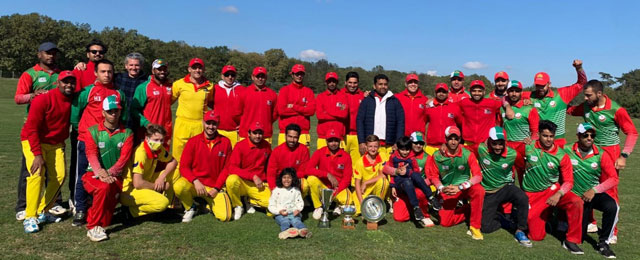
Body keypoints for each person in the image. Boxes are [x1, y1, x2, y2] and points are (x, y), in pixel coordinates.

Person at [567, 79, 637, 244]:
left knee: (609, 192)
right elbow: (568, 109)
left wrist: (624, 155)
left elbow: (632, 133)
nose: (585, 98)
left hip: (610, 153)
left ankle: (612, 232)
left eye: (588, 95)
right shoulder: (586, 106)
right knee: (586, 186)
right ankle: (590, 222)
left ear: (599, 94)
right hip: (590, 152)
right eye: (584, 95)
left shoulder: (616, 109)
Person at [71, 59, 126, 226]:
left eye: (109, 71)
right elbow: (75, 114)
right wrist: (84, 132)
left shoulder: (118, 93)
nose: (107, 75)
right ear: (96, 73)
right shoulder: (87, 91)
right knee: (83, 176)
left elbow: (120, 116)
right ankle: (80, 208)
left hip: (108, 142)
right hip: (87, 141)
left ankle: (100, 206)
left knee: (107, 174)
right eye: (103, 71)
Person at [14, 41, 64, 221]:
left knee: (55, 171)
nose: (51, 56)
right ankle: (23, 206)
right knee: (31, 170)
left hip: (53, 130)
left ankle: (52, 203)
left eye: (54, 53)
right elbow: (18, 98)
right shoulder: (30, 74)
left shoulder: (60, 75)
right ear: (39, 55)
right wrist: (32, 96)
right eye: (47, 53)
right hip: (34, 130)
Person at [19, 70, 75, 233]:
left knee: (60, 176)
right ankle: (30, 216)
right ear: (57, 83)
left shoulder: (72, 99)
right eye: (65, 82)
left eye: (72, 82)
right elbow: (31, 128)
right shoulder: (42, 99)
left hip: (56, 143)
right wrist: (37, 154)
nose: (68, 85)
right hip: (32, 140)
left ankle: (43, 210)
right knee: (36, 174)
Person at [521, 120, 584, 254]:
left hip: (552, 191)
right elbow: (511, 155)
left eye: (551, 136)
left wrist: (559, 193)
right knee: (536, 236)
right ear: (538, 134)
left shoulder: (561, 156)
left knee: (576, 201)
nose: (548, 139)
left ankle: (571, 240)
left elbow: (568, 182)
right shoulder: (528, 147)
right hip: (531, 194)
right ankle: (547, 219)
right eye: (545, 136)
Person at [82, 96, 134, 242]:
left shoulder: (127, 133)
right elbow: (91, 154)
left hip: (115, 176)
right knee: (104, 188)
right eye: (109, 111)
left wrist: (109, 173)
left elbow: (123, 159)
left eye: (116, 111)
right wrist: (101, 173)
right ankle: (93, 227)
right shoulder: (93, 131)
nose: (113, 114)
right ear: (103, 112)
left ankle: (93, 217)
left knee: (107, 220)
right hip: (92, 175)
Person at [567, 123, 618, 258]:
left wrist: (594, 190)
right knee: (580, 237)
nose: (589, 138)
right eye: (585, 135)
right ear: (578, 136)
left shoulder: (601, 154)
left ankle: (603, 243)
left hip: (592, 194)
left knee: (612, 206)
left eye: (592, 135)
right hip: (574, 196)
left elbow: (613, 178)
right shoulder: (567, 149)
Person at [426, 126, 485, 240]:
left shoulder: (467, 154)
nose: (453, 142)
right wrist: (441, 187)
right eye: (450, 138)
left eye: (456, 139)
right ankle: (468, 210)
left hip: (464, 187)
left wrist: (461, 187)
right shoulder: (437, 156)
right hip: (448, 189)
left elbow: (478, 176)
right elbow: (433, 176)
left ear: (460, 139)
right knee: (445, 222)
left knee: (479, 190)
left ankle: (475, 227)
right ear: (445, 139)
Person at [173, 110, 233, 222]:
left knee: (226, 216)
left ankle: (205, 205)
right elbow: (184, 167)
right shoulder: (193, 141)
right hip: (196, 185)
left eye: (214, 124)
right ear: (203, 122)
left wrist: (217, 188)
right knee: (179, 186)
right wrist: (195, 181)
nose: (211, 126)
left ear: (218, 125)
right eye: (208, 123)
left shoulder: (226, 142)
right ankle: (191, 207)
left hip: (214, 188)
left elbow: (227, 168)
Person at [478, 126, 532, 247]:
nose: (498, 147)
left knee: (522, 197)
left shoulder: (513, 154)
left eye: (501, 144)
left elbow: (521, 167)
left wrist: (522, 185)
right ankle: (502, 219)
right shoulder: (481, 149)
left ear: (505, 142)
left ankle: (521, 230)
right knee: (485, 228)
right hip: (489, 192)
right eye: (494, 144)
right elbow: (464, 150)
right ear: (489, 141)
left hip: (505, 188)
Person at [120, 124, 177, 219]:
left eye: (161, 140)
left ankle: (169, 208)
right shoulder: (141, 153)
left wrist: (161, 178)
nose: (159, 143)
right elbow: (137, 183)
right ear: (147, 138)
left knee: (176, 172)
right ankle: (130, 212)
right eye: (156, 140)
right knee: (162, 203)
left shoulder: (158, 148)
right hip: (130, 190)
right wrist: (158, 186)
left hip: (146, 180)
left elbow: (173, 162)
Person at [525, 59, 586, 147]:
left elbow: (582, 84)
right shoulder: (529, 96)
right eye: (538, 85)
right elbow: (510, 96)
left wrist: (579, 68)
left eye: (543, 85)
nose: (540, 88)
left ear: (549, 84)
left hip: (558, 141)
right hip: (537, 143)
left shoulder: (561, 95)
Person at [383, 136, 438, 227]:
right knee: (400, 217)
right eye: (416, 143)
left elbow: (429, 176)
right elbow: (386, 169)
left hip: (417, 184)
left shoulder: (426, 157)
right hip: (402, 184)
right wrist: (393, 183)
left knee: (420, 192)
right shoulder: (394, 156)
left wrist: (412, 175)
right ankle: (414, 209)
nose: (418, 145)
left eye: (421, 143)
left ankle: (426, 210)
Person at [226, 121, 272, 220]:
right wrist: (253, 176)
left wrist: (272, 185)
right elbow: (232, 168)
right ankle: (238, 205)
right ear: (249, 133)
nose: (257, 136)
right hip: (242, 181)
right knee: (231, 180)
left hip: (258, 184)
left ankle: (248, 200)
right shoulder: (240, 146)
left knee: (270, 203)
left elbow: (270, 167)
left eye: (260, 133)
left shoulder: (266, 146)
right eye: (255, 133)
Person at [171, 58, 213, 166]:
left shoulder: (210, 86)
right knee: (178, 156)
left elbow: (212, 103)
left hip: (199, 124)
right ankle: (176, 180)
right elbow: (168, 102)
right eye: (194, 68)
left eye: (200, 68)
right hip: (183, 123)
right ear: (189, 69)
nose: (197, 70)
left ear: (204, 70)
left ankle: (195, 180)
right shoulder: (179, 84)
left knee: (198, 155)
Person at [457, 80, 514, 156]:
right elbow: (449, 107)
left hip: (485, 143)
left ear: (484, 92)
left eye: (479, 91)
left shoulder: (491, 103)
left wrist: (508, 106)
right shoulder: (464, 103)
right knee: (469, 166)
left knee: (484, 166)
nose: (477, 93)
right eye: (474, 91)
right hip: (468, 143)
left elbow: (504, 100)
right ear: (470, 91)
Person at [356, 74, 405, 160]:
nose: (383, 86)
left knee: (387, 170)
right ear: (374, 86)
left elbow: (400, 122)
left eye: (385, 84)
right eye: (380, 84)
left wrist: (398, 142)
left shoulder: (395, 101)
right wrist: (361, 142)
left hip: (388, 146)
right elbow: (360, 121)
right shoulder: (367, 101)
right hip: (371, 146)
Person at [306, 130, 353, 220]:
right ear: (326, 141)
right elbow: (308, 169)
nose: (333, 143)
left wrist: (336, 191)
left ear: (340, 141)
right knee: (311, 179)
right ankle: (318, 207)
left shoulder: (345, 156)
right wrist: (326, 174)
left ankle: (338, 205)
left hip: (338, 187)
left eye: (336, 140)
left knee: (349, 201)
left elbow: (347, 178)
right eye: (330, 141)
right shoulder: (320, 152)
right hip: (323, 186)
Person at [502, 80, 539, 185]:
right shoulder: (502, 108)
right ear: (507, 92)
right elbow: (498, 127)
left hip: (523, 146)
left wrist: (532, 140)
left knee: (525, 179)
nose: (514, 94)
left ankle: (526, 199)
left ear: (521, 92)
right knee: (508, 178)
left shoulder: (529, 108)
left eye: (517, 91)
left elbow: (535, 131)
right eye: (511, 91)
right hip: (507, 146)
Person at [131, 59, 173, 145]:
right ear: (153, 70)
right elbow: (134, 109)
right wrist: (146, 124)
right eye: (159, 69)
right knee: (147, 156)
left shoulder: (171, 86)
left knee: (163, 157)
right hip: (149, 131)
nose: (162, 71)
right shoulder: (144, 87)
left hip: (165, 132)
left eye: (164, 69)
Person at [276, 64, 315, 146]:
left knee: (303, 158)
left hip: (303, 132)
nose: (299, 76)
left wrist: (293, 107)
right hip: (285, 132)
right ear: (292, 75)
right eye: (297, 74)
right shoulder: (284, 90)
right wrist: (303, 109)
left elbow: (311, 111)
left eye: (301, 74)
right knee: (283, 158)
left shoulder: (308, 91)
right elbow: (281, 111)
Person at [267, 124, 310, 198]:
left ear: (299, 137)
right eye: (290, 136)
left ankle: (298, 200)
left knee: (305, 184)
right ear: (285, 136)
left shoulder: (304, 149)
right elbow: (271, 173)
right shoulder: (277, 151)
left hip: (295, 180)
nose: (292, 140)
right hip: (280, 181)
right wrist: (273, 189)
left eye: (295, 137)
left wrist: (290, 178)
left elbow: (304, 170)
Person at [268, 168, 311, 239]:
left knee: (297, 221)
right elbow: (271, 205)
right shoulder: (276, 190)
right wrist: (279, 211)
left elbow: (300, 202)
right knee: (285, 222)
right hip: (281, 215)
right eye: (284, 178)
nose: (286, 180)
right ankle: (285, 232)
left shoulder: (295, 190)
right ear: (281, 179)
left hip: (293, 213)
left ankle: (303, 231)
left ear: (293, 179)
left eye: (289, 178)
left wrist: (298, 210)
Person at [352, 135, 389, 217]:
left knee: (384, 182)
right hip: (364, 190)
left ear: (379, 146)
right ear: (366, 146)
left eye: (375, 146)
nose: (373, 149)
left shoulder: (382, 156)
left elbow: (383, 175)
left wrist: (366, 182)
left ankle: (379, 205)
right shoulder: (360, 162)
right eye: (370, 146)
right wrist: (361, 202)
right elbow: (357, 183)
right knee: (358, 211)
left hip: (376, 186)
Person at [239, 67, 277, 144]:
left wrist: (267, 123)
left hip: (265, 134)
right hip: (246, 134)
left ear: (266, 78)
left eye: (262, 76)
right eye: (258, 76)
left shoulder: (272, 94)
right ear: (252, 77)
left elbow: (275, 114)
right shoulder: (244, 92)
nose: (260, 79)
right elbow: (238, 112)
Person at [424, 83, 462, 155]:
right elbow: (424, 122)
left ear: (447, 93)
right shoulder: (429, 107)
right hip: (431, 146)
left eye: (444, 92)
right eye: (439, 91)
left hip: (448, 146)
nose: (441, 93)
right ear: (435, 93)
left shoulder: (454, 107)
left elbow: (460, 123)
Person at [213, 65, 245, 147]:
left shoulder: (242, 90)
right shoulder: (215, 89)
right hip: (217, 130)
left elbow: (248, 109)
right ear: (222, 76)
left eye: (232, 75)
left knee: (234, 157)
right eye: (227, 75)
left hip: (235, 131)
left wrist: (243, 123)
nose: (230, 77)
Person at [115, 52, 148, 128]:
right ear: (126, 66)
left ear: (141, 66)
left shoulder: (146, 81)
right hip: (120, 120)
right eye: (131, 65)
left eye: (137, 65)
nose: (134, 68)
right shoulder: (118, 78)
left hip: (138, 121)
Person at [316, 72, 348, 149]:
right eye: (329, 81)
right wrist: (337, 113)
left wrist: (326, 112)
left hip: (339, 136)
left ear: (337, 82)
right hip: (323, 137)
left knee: (340, 160)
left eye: (333, 81)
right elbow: (319, 115)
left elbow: (344, 114)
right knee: (323, 160)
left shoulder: (343, 96)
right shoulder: (320, 97)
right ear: (326, 82)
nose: (331, 83)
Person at [341, 71, 366, 162]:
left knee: (356, 164)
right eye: (350, 82)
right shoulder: (340, 94)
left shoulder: (363, 96)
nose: (352, 85)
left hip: (357, 135)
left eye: (355, 83)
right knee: (341, 163)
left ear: (358, 83)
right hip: (343, 135)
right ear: (345, 82)